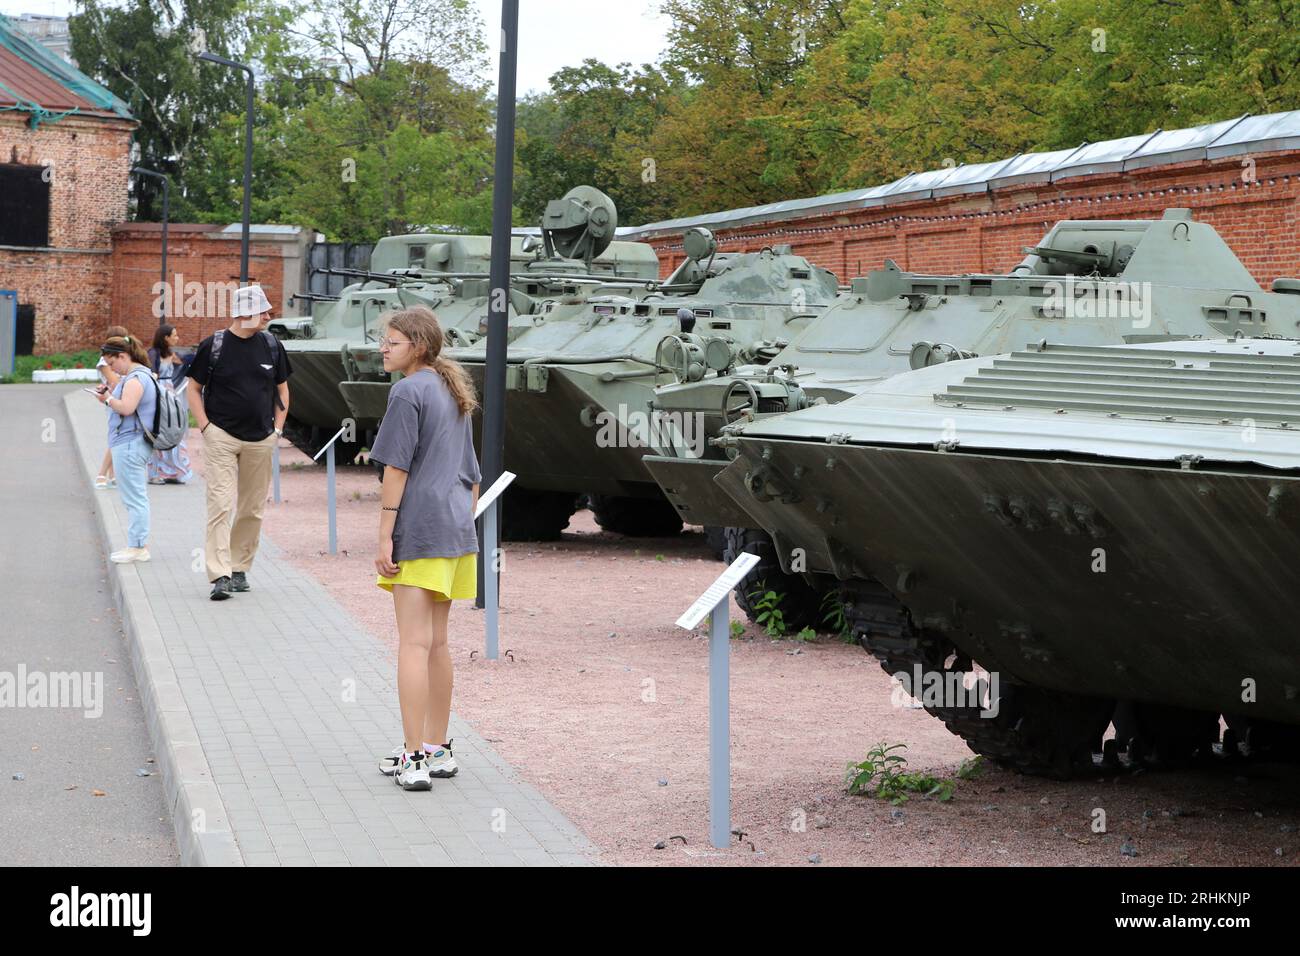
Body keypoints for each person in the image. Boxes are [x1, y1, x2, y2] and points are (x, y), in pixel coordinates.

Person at [370, 306, 481, 791]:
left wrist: (384, 533)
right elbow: (472, 473)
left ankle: (414, 757)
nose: (383, 348)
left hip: (420, 526)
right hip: (456, 528)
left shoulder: (407, 391)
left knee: (413, 644)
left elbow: (396, 469)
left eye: (391, 342)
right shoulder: (451, 389)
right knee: (437, 643)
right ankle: (438, 748)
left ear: (416, 345)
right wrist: (461, 524)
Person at [186, 285, 292, 601]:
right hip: (221, 436)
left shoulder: (272, 345)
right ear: (245, 313)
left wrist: (278, 431)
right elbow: (193, 389)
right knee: (220, 504)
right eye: (263, 311)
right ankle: (220, 574)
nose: (269, 316)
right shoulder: (214, 346)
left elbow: (283, 390)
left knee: (252, 508)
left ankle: (239, 567)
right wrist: (205, 427)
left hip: (261, 439)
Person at [94, 334, 157, 563]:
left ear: (122, 356)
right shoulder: (141, 375)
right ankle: (137, 544)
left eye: (112, 363)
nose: (112, 369)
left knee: (134, 498)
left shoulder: (135, 379)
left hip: (130, 443)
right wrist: (109, 396)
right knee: (135, 496)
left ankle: (138, 547)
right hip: (131, 442)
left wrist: (108, 399)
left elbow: (127, 408)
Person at [146, 323, 193, 485]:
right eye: (174, 335)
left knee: (174, 431)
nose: (177, 338)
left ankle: (173, 472)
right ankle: (155, 473)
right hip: (159, 396)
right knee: (160, 432)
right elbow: (152, 374)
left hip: (171, 396)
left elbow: (184, 365)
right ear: (165, 338)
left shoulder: (171, 354)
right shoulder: (154, 353)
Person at [93, 325, 130, 490]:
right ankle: (101, 474)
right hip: (113, 399)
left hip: (121, 398)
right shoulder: (104, 361)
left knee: (119, 434)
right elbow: (115, 381)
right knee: (116, 436)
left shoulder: (122, 358)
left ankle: (113, 475)